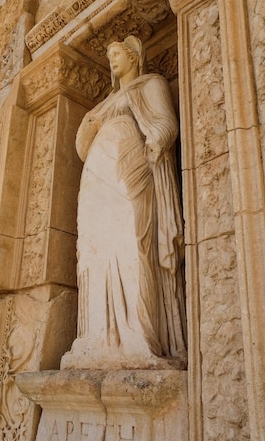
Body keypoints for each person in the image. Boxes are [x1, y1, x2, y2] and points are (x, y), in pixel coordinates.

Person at [61, 36, 187, 369]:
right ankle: (96, 338)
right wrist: (89, 127)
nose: (111, 60)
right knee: (93, 252)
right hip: (95, 181)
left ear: (133, 57)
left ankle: (140, 337)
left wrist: (157, 141)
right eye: (109, 55)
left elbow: (166, 124)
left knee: (133, 245)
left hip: (131, 172)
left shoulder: (152, 84)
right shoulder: (104, 103)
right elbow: (82, 146)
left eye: (116, 53)